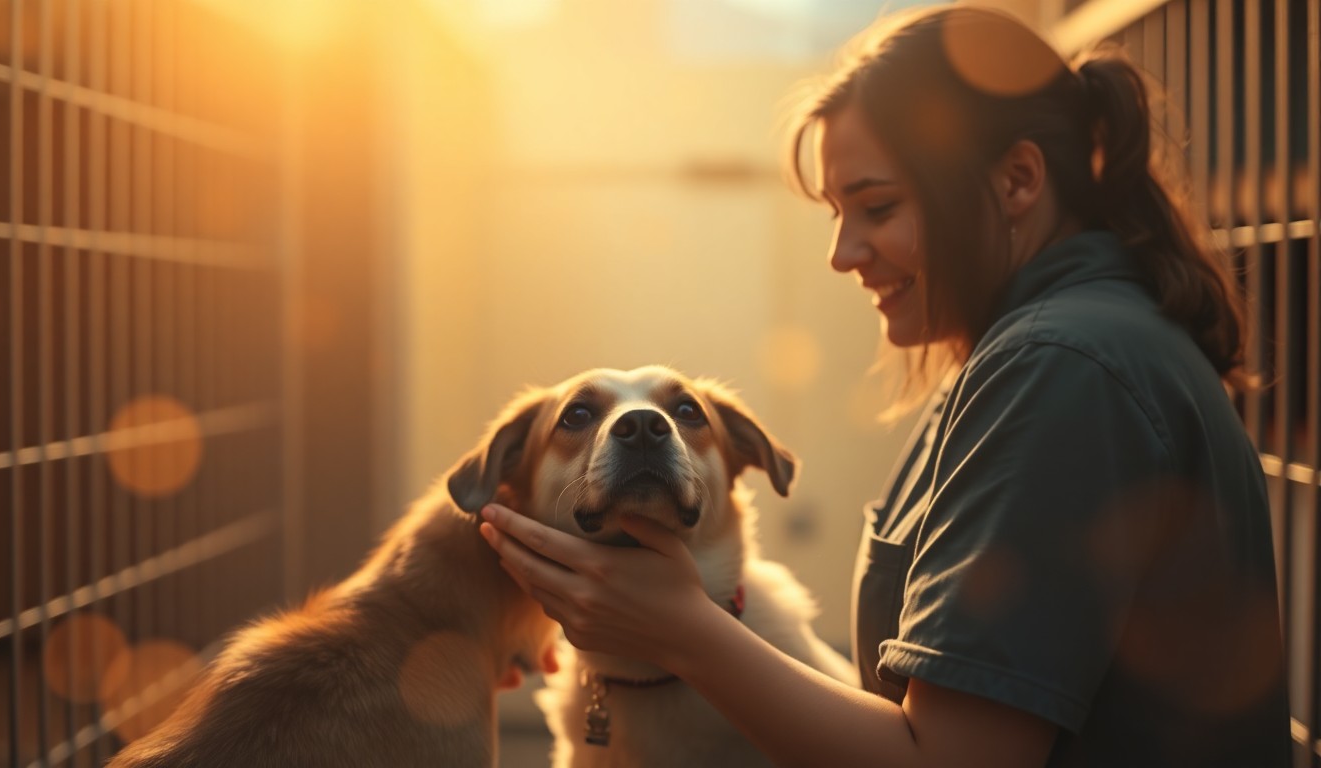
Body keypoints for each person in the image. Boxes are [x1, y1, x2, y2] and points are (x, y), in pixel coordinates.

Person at [478, 5, 1292, 766]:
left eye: (878, 207)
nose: (843, 254)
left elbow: (948, 757)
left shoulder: (1063, 365)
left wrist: (681, 630)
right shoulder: (1058, 343)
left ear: (1016, 181)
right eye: (838, 212)